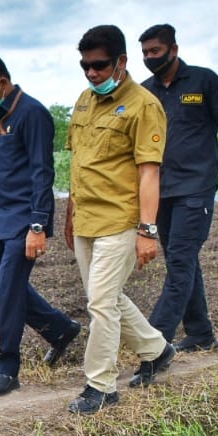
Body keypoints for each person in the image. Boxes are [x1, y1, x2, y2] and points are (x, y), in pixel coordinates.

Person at [63, 25, 176, 413]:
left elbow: (149, 173)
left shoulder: (144, 106)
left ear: (121, 62)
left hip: (122, 220)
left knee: (100, 303)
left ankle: (101, 386)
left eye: (100, 65)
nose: (92, 73)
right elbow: (80, 163)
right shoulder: (83, 101)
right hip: (87, 219)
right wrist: (70, 213)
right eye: (85, 66)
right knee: (105, 298)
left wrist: (147, 231)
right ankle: (156, 350)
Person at [138, 24, 218, 366]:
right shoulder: (146, 92)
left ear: (173, 49)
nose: (150, 58)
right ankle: (201, 333)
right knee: (183, 258)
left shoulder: (204, 81)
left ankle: (154, 344)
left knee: (179, 261)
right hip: (161, 192)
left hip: (196, 188)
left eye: (155, 51)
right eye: (145, 53)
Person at [0, 53, 83, 397]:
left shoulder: (33, 113)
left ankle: (8, 366)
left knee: (11, 287)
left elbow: (42, 172)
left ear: (2, 81)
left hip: (24, 218)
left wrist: (38, 225)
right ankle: (60, 328)